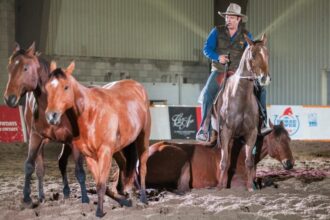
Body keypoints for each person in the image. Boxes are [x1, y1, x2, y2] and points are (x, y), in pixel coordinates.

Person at [196, 3, 271, 142]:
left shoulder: (246, 35)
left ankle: (264, 122)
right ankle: (204, 129)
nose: (228, 20)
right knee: (207, 93)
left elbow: (252, 51)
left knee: (262, 89)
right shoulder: (216, 32)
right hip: (219, 70)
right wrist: (218, 57)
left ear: (238, 19)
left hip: (239, 73)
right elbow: (207, 49)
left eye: (231, 17)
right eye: (227, 17)